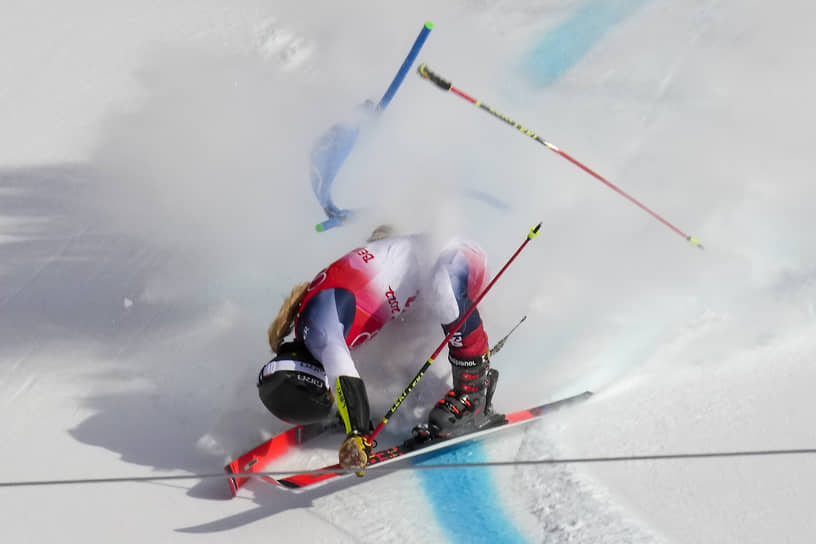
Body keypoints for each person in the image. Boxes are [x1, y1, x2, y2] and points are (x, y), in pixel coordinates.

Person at [256, 226, 500, 472]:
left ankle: (474, 392)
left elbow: (343, 378)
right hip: (424, 294)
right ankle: (432, 395)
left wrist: (358, 433)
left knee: (442, 288)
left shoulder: (318, 331)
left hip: (458, 260)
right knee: (393, 354)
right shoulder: (309, 324)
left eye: (327, 397)